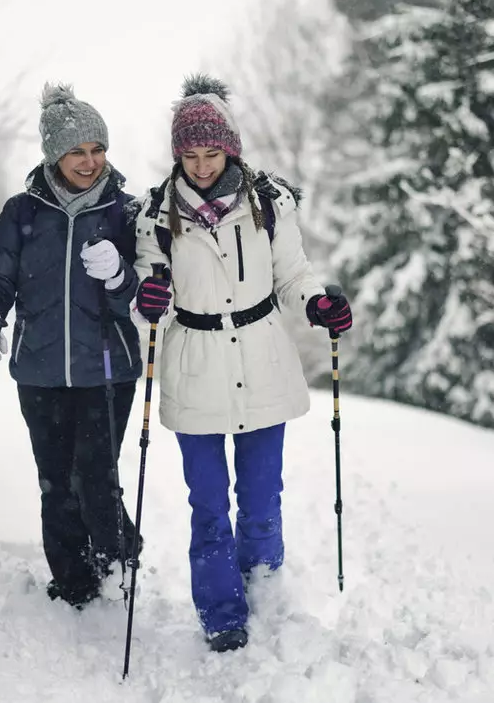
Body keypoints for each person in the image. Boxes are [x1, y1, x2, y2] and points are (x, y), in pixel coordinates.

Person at [130, 75, 353, 652]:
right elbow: (145, 284)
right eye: (190, 154)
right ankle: (222, 611)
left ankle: (264, 589)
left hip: (260, 355)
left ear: (230, 148)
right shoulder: (156, 211)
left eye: (212, 152)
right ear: (177, 153)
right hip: (195, 362)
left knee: (260, 497)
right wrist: (148, 297)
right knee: (208, 504)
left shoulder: (270, 202)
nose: (201, 166)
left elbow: (293, 275)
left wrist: (319, 304)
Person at [0, 83, 143, 608]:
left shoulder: (126, 212)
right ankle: (73, 580)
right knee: (55, 482)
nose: (90, 162)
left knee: (95, 475)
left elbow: (154, 294)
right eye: (76, 152)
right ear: (53, 155)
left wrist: (120, 275)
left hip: (107, 369)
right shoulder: (22, 212)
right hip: (39, 369)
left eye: (97, 150)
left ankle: (115, 560)